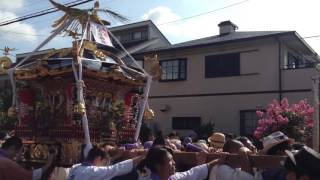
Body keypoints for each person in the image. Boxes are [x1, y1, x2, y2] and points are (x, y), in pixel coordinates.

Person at [137, 146, 219, 180]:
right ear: (158, 166)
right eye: (170, 160)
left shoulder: (171, 177)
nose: (174, 163)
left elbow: (192, 173)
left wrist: (218, 160)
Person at [68, 146, 144, 180]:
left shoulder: (75, 167)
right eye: (104, 163)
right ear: (98, 158)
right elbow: (114, 169)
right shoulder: (92, 171)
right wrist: (142, 156)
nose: (104, 166)